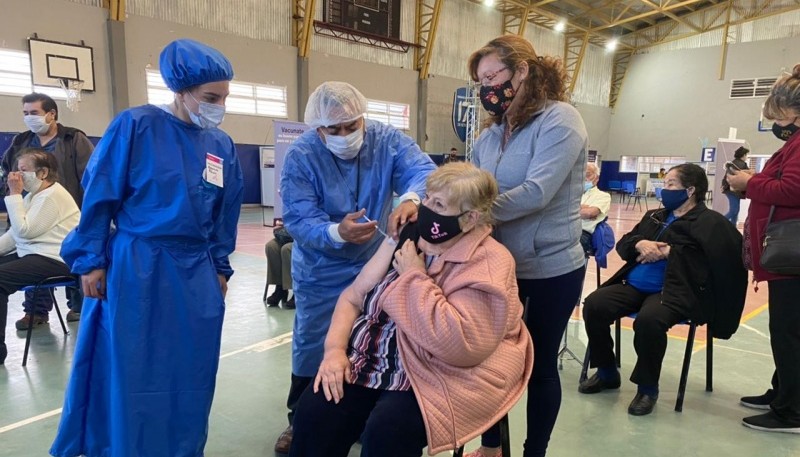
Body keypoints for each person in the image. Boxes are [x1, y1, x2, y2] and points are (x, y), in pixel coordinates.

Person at [50, 39, 243, 457]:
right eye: (211, 97)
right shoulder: (135, 125)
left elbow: (225, 213)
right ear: (181, 90)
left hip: (195, 273)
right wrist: (90, 260)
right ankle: (124, 446)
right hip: (138, 264)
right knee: (133, 367)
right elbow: (101, 194)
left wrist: (220, 268)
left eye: (225, 97)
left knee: (191, 370)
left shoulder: (221, 145)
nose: (219, 106)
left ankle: (181, 447)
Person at [289, 162, 533, 457]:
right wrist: (334, 352)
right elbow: (353, 297)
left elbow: (459, 345)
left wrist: (413, 277)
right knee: (314, 414)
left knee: (387, 432)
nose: (426, 208)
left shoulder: (490, 262)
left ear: (470, 219)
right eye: (427, 197)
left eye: (439, 204)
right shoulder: (409, 236)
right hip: (375, 359)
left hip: (437, 369)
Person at [277, 81, 436, 453]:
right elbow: (298, 218)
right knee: (314, 342)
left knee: (369, 338)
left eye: (353, 126)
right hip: (321, 267)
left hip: (374, 262)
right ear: (318, 129)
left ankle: (356, 414)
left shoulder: (385, 140)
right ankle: (298, 417)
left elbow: (422, 171)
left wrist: (411, 198)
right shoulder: (302, 156)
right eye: (335, 130)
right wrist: (337, 231)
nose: (346, 135)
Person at [467, 35, 587, 457]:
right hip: (495, 268)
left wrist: (473, 214)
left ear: (521, 71)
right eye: (480, 82)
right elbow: (475, 191)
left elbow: (537, 192)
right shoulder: (488, 137)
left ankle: (534, 451)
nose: (486, 89)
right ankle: (493, 445)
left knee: (538, 369)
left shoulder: (560, 120)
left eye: (492, 76)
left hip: (550, 269)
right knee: (487, 361)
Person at [580, 164, 747, 416]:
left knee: (649, 320)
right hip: (635, 285)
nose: (664, 189)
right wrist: (641, 243)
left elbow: (720, 262)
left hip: (675, 291)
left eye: (670, 184)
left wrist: (671, 252)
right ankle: (606, 372)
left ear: (690, 190)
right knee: (595, 304)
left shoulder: (712, 223)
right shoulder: (655, 216)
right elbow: (625, 245)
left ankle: (647, 388)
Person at [727, 63, 800, 433]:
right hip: (787, 255)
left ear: (791, 113)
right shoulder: (794, 143)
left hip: (793, 256)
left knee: (788, 331)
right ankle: (783, 392)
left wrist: (749, 182)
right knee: (790, 329)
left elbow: (792, 190)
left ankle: (791, 411)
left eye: (780, 115)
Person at [1, 92, 94, 323]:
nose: (29, 117)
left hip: (61, 218)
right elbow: (17, 234)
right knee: (27, 248)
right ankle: (36, 311)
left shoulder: (73, 138)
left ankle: (79, 307)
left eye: (34, 113)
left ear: (51, 114)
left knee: (41, 250)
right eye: (25, 113)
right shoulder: (21, 141)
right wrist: (15, 195)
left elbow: (91, 176)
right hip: (26, 207)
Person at [0, 149, 80, 365]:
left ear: (43, 173)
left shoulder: (53, 196)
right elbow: (14, 235)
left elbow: (26, 231)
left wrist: (13, 195)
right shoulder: (34, 196)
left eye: (23, 170)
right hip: (33, 254)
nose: (16, 176)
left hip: (55, 259)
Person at [580, 163, 611, 255]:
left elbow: (590, 213)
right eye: (581, 175)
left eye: (588, 175)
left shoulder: (603, 196)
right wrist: (582, 209)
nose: (584, 178)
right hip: (563, 230)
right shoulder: (571, 194)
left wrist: (568, 211)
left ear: (597, 178)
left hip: (583, 234)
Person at [265, 221, 295, 308]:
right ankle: (280, 288)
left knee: (287, 249)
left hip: (306, 234)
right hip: (290, 232)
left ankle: (297, 292)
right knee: (271, 246)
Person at [720, 146, 750, 224]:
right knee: (734, 211)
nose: (746, 157)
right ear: (743, 155)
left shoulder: (733, 163)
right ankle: (718, 223)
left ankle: (733, 228)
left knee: (735, 211)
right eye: (746, 155)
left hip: (731, 190)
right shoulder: (741, 164)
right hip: (734, 190)